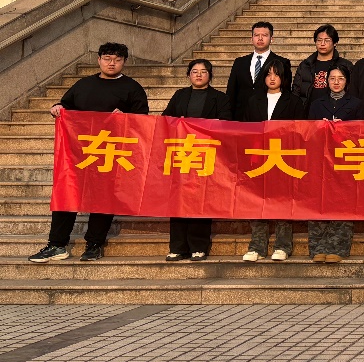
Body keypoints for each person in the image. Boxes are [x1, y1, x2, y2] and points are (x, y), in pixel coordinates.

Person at [29, 43, 149, 263]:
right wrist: (57, 107)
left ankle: (94, 244)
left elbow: (143, 120)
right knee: (67, 193)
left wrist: (126, 116)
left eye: (117, 59)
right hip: (79, 153)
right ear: (99, 60)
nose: (112, 63)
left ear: (124, 62)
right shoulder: (84, 84)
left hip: (110, 153)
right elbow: (66, 105)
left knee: (103, 199)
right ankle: (57, 244)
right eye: (107, 58)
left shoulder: (132, 88)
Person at [161, 59, 231, 262]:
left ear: (210, 75)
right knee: (178, 200)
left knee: (201, 200)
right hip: (181, 155)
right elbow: (165, 119)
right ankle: (177, 247)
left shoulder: (220, 98)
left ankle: (198, 246)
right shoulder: (180, 95)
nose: (199, 75)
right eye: (194, 71)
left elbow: (226, 122)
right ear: (188, 75)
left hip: (206, 155)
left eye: (203, 71)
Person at [242, 58, 305, 262]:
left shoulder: (294, 101)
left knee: (283, 202)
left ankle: (282, 246)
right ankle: (257, 247)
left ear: (283, 78)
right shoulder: (253, 100)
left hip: (283, 158)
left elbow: (300, 131)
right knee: (257, 202)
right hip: (259, 157)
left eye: (276, 74)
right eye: (268, 74)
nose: (272, 78)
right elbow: (245, 130)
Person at [307, 66, 361, 263]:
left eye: (340, 78)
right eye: (332, 78)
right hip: (320, 159)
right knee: (319, 201)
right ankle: (318, 248)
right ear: (326, 81)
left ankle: (338, 247)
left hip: (345, 160)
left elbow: (363, 131)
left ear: (347, 81)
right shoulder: (317, 104)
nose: (336, 82)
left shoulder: (356, 104)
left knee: (343, 203)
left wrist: (345, 128)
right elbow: (307, 131)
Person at [225, 20, 291, 121]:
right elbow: (231, 91)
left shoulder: (282, 62)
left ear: (271, 39)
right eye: (256, 35)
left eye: (264, 35)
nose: (260, 38)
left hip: (268, 117)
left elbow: (286, 92)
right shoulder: (239, 62)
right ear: (251, 39)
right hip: (241, 117)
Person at [293, 24, 351, 113]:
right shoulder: (305, 65)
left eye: (327, 40)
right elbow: (296, 91)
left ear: (335, 43)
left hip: (336, 114)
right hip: (308, 113)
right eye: (319, 40)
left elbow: (351, 91)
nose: (322, 43)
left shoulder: (345, 65)